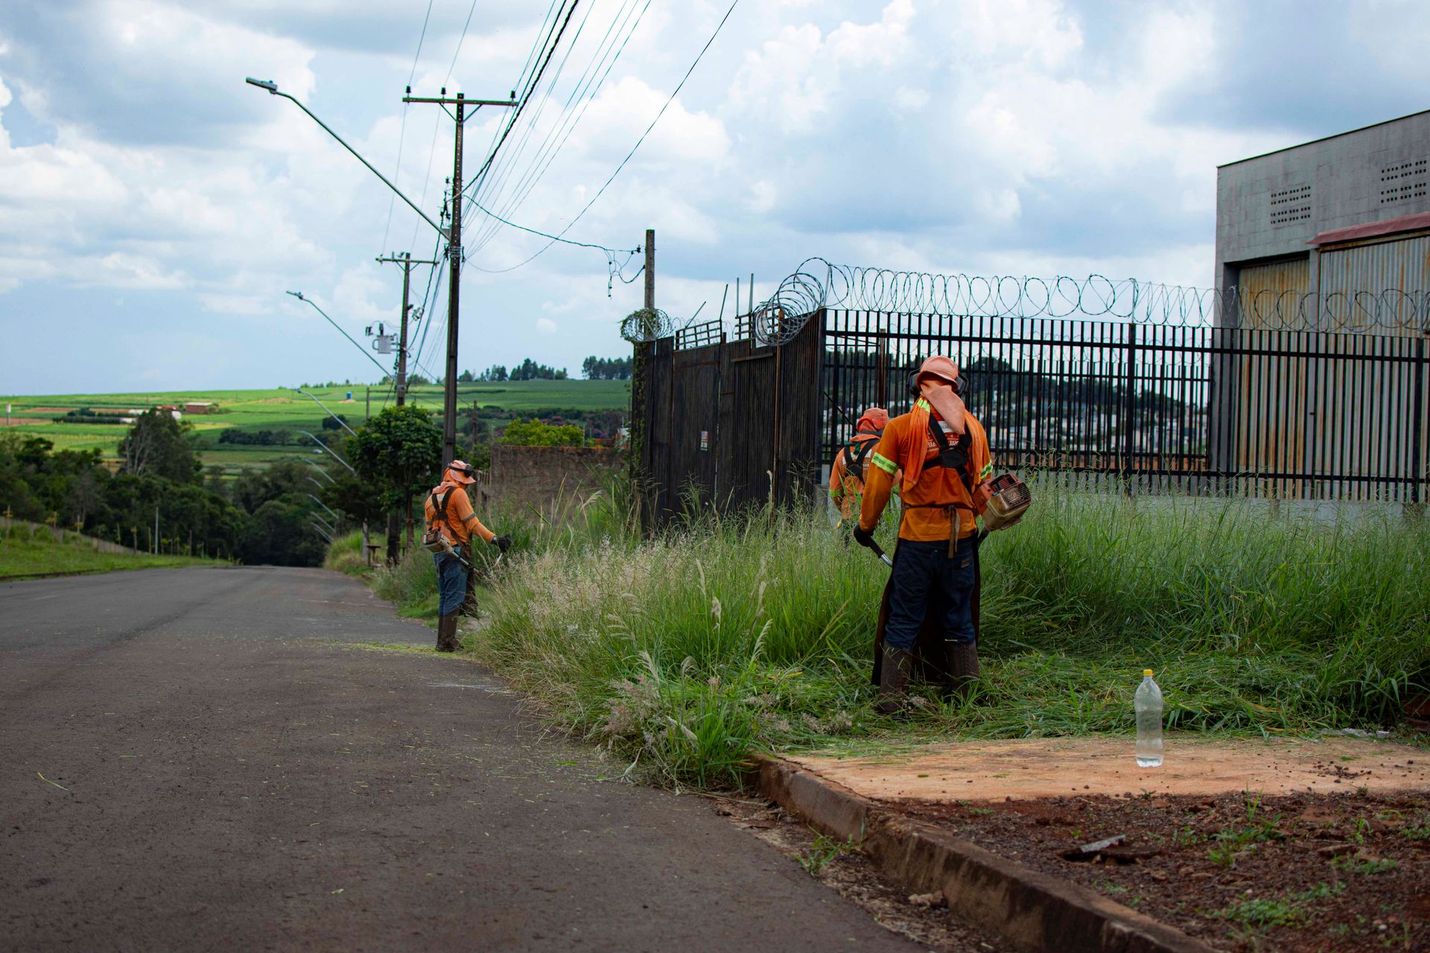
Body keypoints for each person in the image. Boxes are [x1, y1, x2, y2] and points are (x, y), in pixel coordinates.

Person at [852, 356, 993, 713]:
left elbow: (878, 487)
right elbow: (984, 489)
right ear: (957, 388)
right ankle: (966, 696)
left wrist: (865, 527)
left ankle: (890, 702)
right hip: (961, 542)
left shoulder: (900, 428)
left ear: (918, 385)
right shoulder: (975, 430)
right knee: (959, 617)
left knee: (904, 617)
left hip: (916, 541)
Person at [423, 459, 509, 653]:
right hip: (456, 551)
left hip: (438, 552)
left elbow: (430, 528)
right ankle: (448, 642)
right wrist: (495, 539)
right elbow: (472, 524)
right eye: (463, 481)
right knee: (454, 596)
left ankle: (442, 640)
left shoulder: (430, 499)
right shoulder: (458, 494)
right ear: (454, 476)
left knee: (445, 596)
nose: (464, 485)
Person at [829, 406, 889, 523]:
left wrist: (845, 508)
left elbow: (834, 490)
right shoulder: (882, 449)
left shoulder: (843, 453)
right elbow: (896, 484)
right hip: (875, 517)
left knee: (847, 541)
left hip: (848, 516)